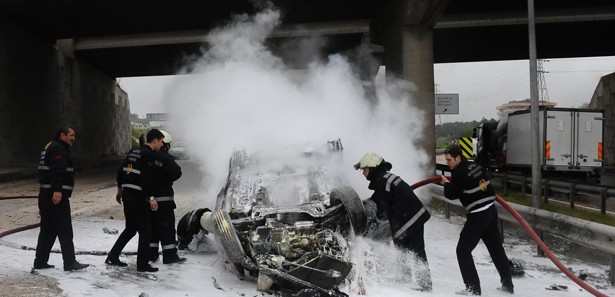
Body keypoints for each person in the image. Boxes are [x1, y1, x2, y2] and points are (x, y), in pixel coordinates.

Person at [441, 144, 514, 295]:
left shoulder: (459, 172)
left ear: (458, 157)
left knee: (463, 251)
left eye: (449, 160)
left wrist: (446, 184)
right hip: (491, 211)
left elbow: (452, 195)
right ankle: (508, 285)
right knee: (496, 249)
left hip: (478, 216)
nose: (448, 163)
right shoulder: (475, 165)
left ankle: (473, 289)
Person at [354, 152, 432, 291]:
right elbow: (377, 199)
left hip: (410, 218)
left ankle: (425, 285)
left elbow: (382, 211)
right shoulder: (385, 178)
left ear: (373, 168)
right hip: (411, 216)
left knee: (416, 250)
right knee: (401, 246)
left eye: (365, 170)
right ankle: (405, 276)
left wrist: (370, 225)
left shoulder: (382, 182)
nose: (363, 174)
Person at [105, 129, 165, 273]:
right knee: (145, 231)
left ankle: (112, 256)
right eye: (161, 142)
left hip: (127, 195)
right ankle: (142, 266)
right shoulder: (149, 155)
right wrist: (151, 198)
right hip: (138, 196)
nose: (162, 145)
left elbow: (121, 171)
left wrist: (120, 189)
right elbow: (147, 179)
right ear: (155, 140)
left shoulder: (133, 152)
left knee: (131, 229)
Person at [34, 126, 89, 272]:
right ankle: (70, 262)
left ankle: (40, 261)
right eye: (71, 135)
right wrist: (58, 190)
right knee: (65, 229)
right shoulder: (59, 149)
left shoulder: (50, 146)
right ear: (62, 135)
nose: (73, 138)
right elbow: (57, 171)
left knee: (48, 230)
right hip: (55, 196)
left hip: (45, 195)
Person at [141, 129, 185, 264]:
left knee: (152, 229)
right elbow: (177, 173)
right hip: (164, 200)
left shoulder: (145, 155)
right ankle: (170, 256)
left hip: (149, 200)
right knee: (166, 228)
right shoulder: (164, 157)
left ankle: (151, 254)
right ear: (163, 142)